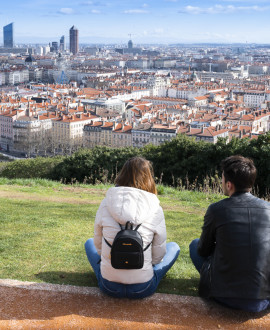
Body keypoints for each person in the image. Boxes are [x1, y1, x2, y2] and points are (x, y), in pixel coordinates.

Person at [85, 156, 180, 299]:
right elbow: (158, 256)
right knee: (174, 247)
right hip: (142, 288)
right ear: (148, 178)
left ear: (122, 175)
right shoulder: (155, 208)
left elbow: (98, 247)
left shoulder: (106, 203)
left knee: (89, 242)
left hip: (109, 286)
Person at [189, 155, 270, 312]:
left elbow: (202, 250)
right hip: (264, 299)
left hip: (223, 296)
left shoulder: (216, 209)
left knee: (194, 244)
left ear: (229, 184)